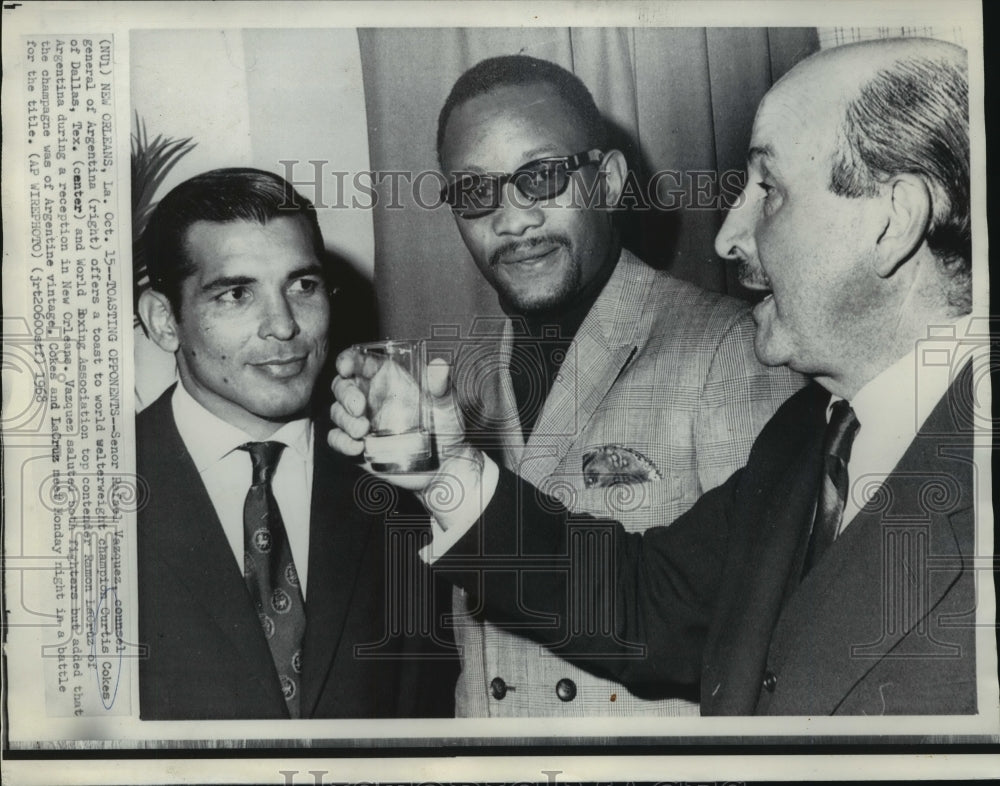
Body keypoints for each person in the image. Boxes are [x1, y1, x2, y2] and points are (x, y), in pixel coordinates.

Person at [330, 37, 979, 715]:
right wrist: (446, 473)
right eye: (474, 192)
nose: (728, 237)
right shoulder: (806, 438)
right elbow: (646, 604)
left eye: (770, 191)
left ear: (895, 218)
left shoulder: (746, 366)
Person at [388, 55, 802, 717]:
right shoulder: (459, 386)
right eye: (476, 193)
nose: (512, 219)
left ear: (608, 182)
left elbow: (762, 649)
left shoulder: (730, 352)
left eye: (543, 177)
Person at [136, 168, 456, 720]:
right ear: (165, 321)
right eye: (237, 294)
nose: (284, 326)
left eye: (302, 285)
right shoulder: (93, 493)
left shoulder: (401, 477)